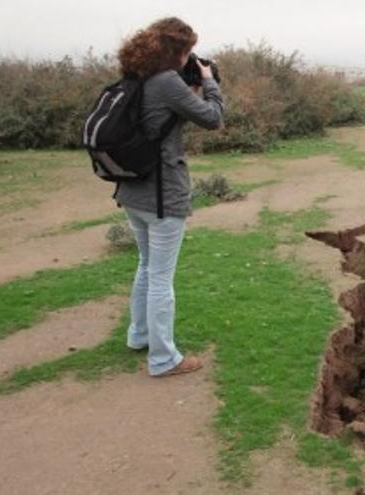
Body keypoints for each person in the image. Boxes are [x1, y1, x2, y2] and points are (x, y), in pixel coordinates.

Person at [114, 17, 224, 376]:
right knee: (161, 276)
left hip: (132, 191)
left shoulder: (137, 78)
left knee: (146, 266)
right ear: (178, 51)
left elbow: (161, 121)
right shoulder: (166, 82)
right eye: (188, 52)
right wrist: (209, 83)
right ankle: (163, 359)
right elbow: (212, 119)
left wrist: (188, 88)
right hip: (162, 195)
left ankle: (139, 335)